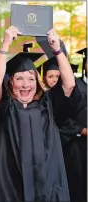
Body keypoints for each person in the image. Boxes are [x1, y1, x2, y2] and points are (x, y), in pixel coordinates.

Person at [0, 26, 82, 201]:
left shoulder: (48, 105)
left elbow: (69, 85)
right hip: (12, 188)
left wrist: (57, 49)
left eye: (30, 78)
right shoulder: (5, 108)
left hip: (48, 186)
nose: (25, 84)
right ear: (11, 83)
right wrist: (6, 43)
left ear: (37, 82)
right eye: (19, 78)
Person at [59, 47, 87, 202]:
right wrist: (81, 129)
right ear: (85, 64)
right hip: (76, 147)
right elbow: (62, 114)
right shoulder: (73, 87)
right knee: (77, 186)